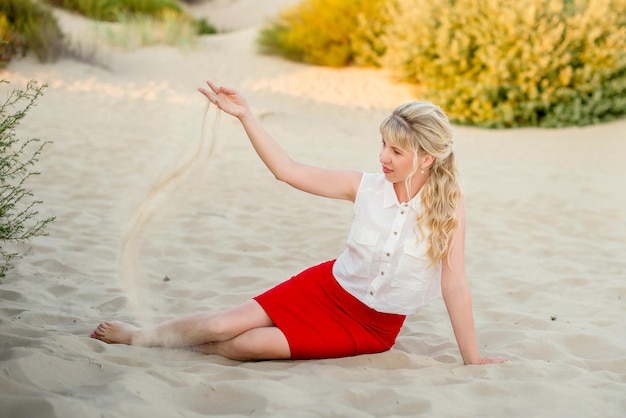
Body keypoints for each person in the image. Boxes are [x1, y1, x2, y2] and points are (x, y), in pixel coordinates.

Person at [91, 80, 507, 365]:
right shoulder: (362, 186)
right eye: (383, 144)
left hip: (373, 327)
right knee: (222, 324)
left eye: (396, 151)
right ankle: (141, 337)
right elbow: (287, 170)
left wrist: (472, 360)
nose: (383, 157)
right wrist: (245, 116)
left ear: (427, 158)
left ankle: (189, 345)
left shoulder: (448, 208)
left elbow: (455, 283)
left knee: (245, 347)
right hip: (326, 289)